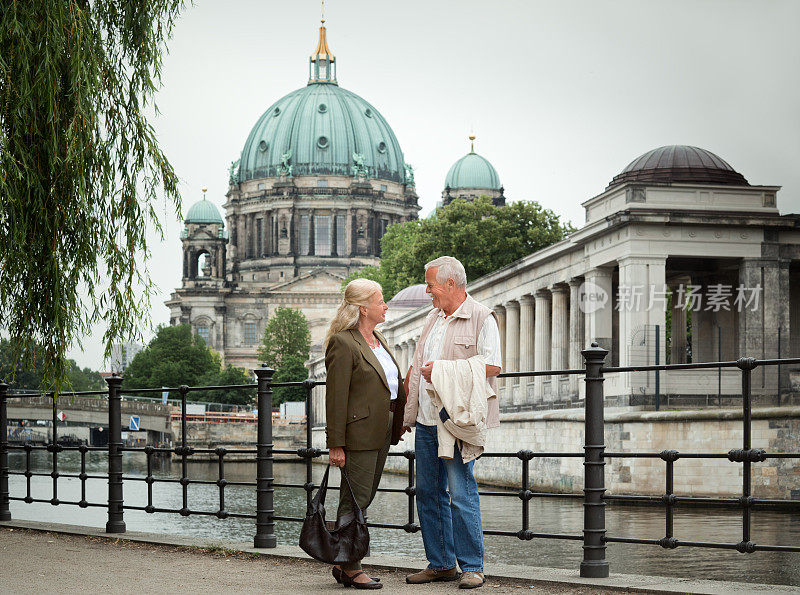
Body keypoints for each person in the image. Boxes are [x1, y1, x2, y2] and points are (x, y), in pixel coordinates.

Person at [402, 256, 502, 590]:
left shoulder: (482, 317)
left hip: (455, 420)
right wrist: (406, 412)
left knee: (461, 493)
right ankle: (442, 563)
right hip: (427, 420)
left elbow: (492, 365)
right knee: (428, 493)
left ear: (449, 284)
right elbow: (417, 366)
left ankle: (473, 566)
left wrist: (441, 370)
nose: (427, 291)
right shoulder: (432, 318)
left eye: (430, 285)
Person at [324, 278, 407, 590]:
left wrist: (400, 417)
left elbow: (388, 385)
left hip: (383, 429)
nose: (385, 306)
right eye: (380, 301)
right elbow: (336, 397)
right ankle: (351, 566)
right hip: (358, 433)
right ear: (363, 307)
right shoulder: (343, 342)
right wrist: (336, 444)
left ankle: (344, 561)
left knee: (365, 495)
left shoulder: (378, 339)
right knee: (356, 498)